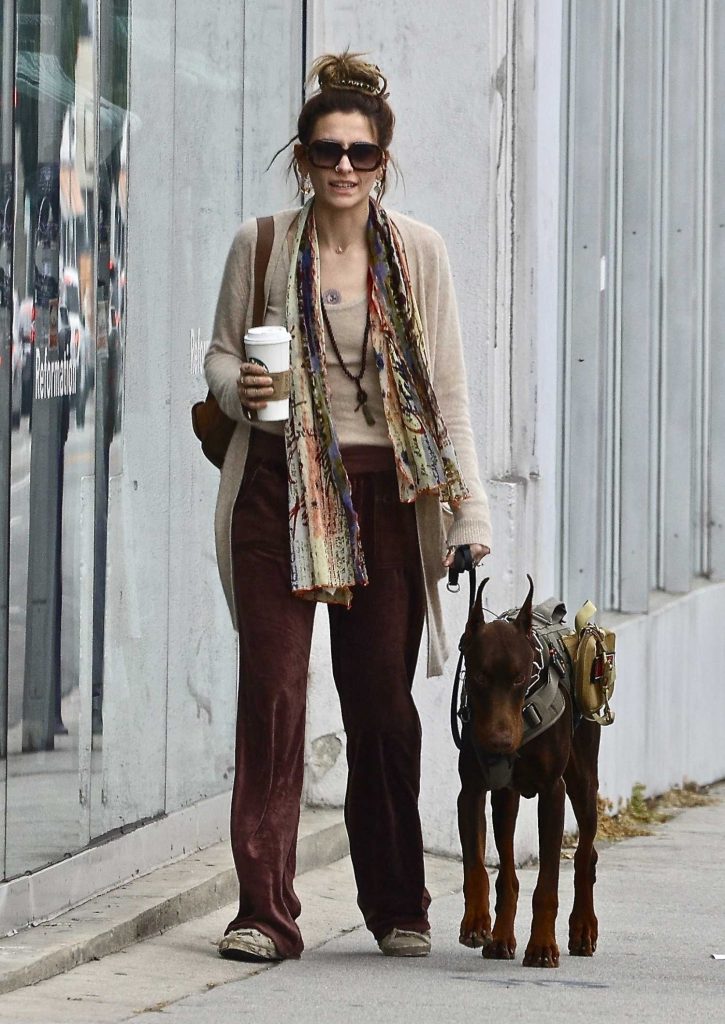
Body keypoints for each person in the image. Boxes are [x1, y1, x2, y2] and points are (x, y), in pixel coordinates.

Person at [204, 51, 492, 963]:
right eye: (327, 150)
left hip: (386, 497)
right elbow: (213, 359)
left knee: (379, 707)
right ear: (302, 155)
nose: (342, 168)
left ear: (383, 160)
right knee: (275, 691)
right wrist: (241, 386)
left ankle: (398, 901)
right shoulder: (259, 245)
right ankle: (264, 910)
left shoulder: (420, 254)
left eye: (360, 154)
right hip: (276, 489)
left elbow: (446, 397)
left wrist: (471, 514)